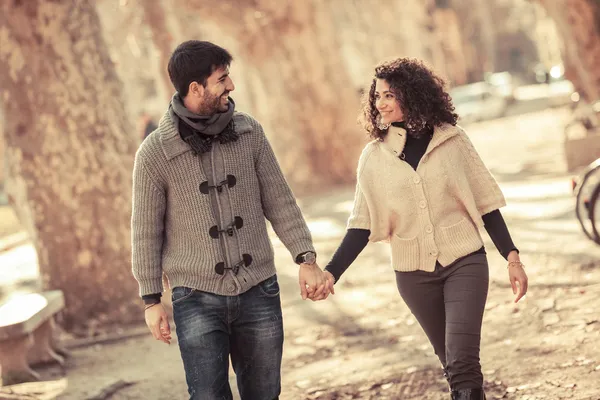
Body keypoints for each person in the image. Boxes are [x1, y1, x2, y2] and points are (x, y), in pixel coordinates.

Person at [131, 40, 332, 400]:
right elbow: (146, 231)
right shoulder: (154, 153)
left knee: (265, 394)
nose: (231, 86)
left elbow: (280, 200)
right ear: (196, 88)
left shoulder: (250, 132)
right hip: (194, 296)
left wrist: (306, 259)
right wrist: (151, 300)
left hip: (259, 289)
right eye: (222, 79)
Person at [319, 58, 528, 400]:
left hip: (465, 261)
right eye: (377, 97)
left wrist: (512, 257)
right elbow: (360, 225)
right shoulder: (374, 157)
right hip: (413, 275)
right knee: (451, 362)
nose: (380, 103)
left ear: (411, 94)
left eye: (388, 95)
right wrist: (331, 272)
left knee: (462, 358)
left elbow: (487, 204)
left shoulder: (453, 141)